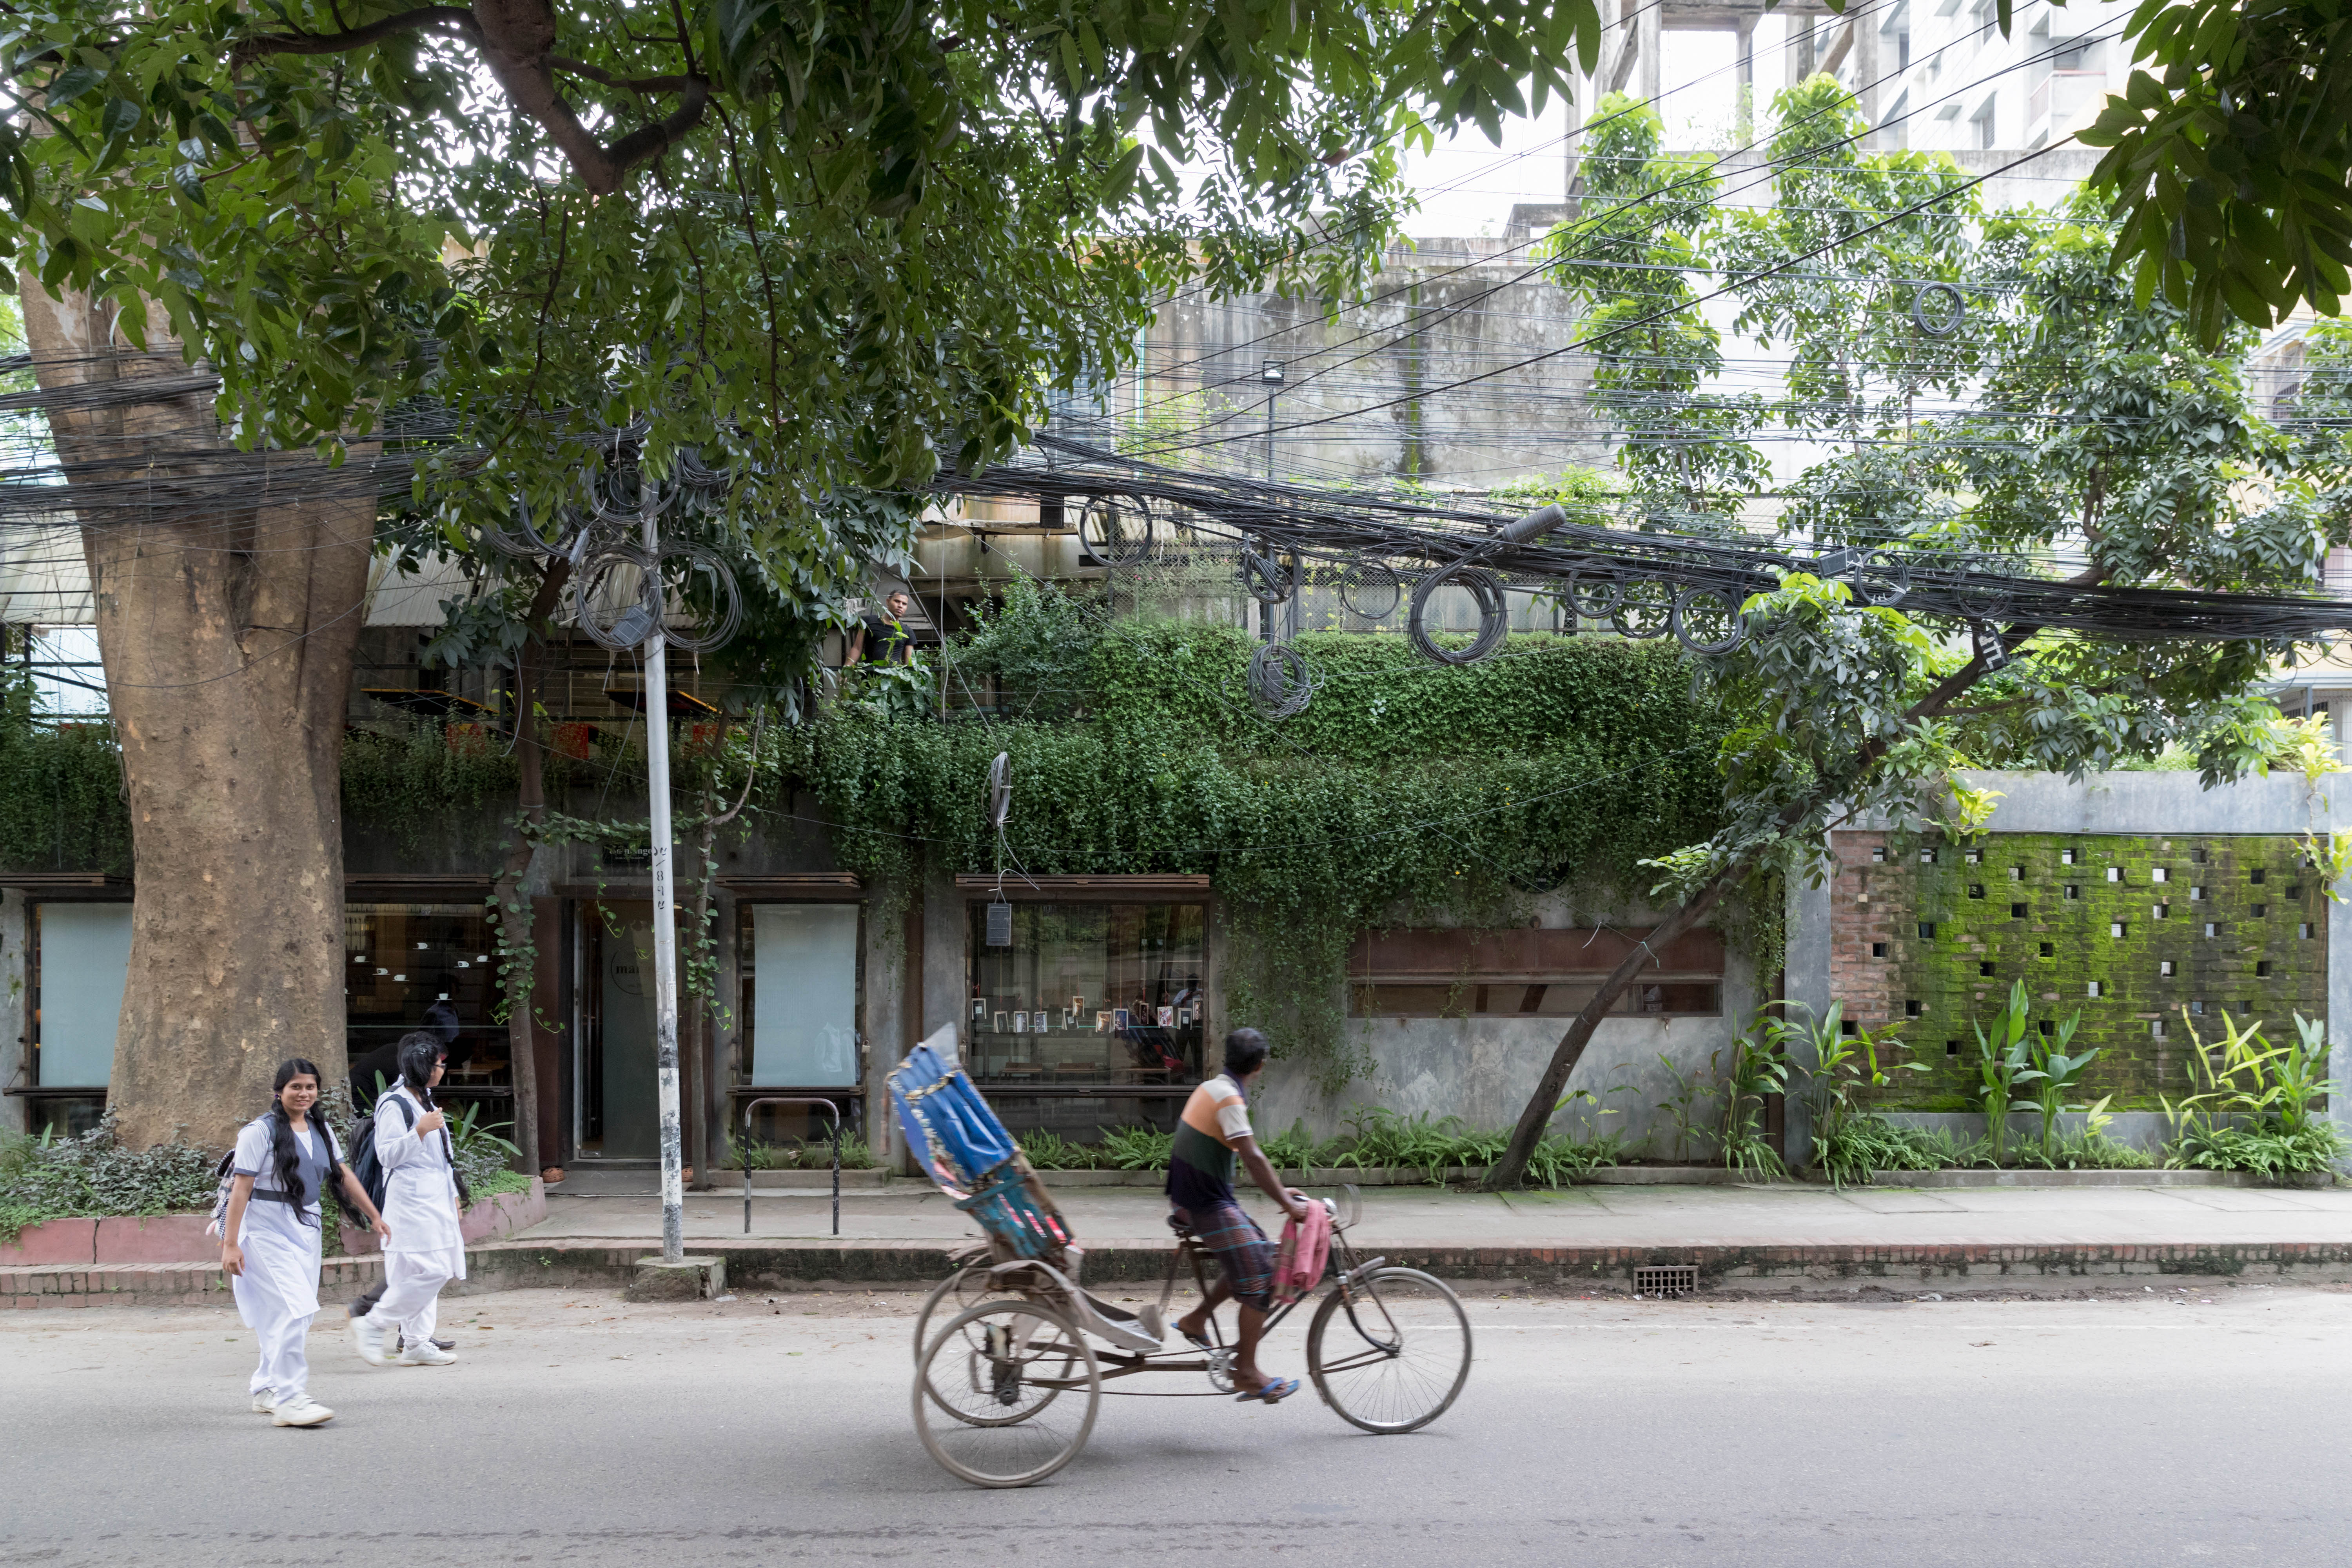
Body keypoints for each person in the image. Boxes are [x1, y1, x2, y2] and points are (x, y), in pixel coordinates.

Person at [220, 1057, 390, 1428]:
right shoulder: (258, 1133)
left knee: (292, 1311)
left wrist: (374, 1214)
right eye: (296, 1086)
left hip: (305, 1226)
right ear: (279, 1091)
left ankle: (266, 1388)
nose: (304, 1093)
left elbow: (343, 1174)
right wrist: (230, 1243)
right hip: (264, 1229)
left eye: (310, 1086)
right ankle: (290, 1398)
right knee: (294, 1308)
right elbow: (242, 1189)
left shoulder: (319, 1128)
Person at [1166, 1028, 1308, 1404]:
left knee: (1255, 1251)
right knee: (1261, 1277)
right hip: (1202, 1205)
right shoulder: (1229, 1098)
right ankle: (1246, 1373)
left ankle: (1196, 1320)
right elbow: (1252, 1157)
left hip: (1195, 1198)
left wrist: (1281, 1192)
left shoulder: (1213, 1087)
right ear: (1261, 1066)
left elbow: (1244, 1155)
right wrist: (1289, 1205)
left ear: (1225, 1057)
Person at [349, 1033, 467, 1369]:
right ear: (423, 1066)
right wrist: (420, 1130)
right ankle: (374, 1324)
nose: (443, 1070)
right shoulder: (394, 1103)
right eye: (439, 1064)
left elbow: (444, 1158)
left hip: (435, 1198)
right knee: (428, 1271)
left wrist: (454, 1196)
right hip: (410, 1202)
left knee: (429, 1270)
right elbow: (387, 1155)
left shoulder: (424, 1099)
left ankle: (416, 1342)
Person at [846, 588, 916, 666]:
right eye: (897, 601)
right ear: (888, 602)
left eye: (904, 604)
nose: (900, 606)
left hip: (894, 676)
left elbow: (910, 663)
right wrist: (845, 672)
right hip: (870, 675)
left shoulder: (908, 632)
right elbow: (857, 648)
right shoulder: (868, 621)